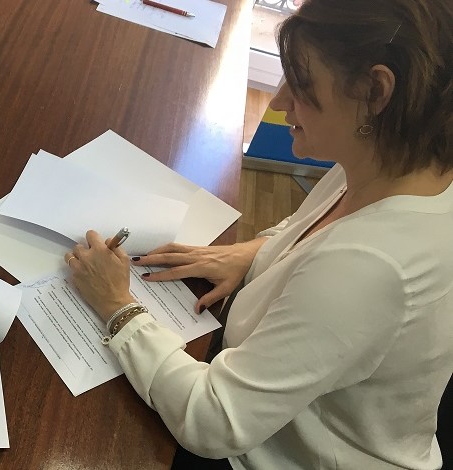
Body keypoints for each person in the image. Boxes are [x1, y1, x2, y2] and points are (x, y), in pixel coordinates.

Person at [64, 0, 452, 468]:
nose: (278, 101)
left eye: (302, 84)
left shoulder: (370, 267)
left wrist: (117, 305)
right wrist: (257, 252)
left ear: (375, 91)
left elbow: (213, 422)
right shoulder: (398, 160)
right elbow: (313, 230)